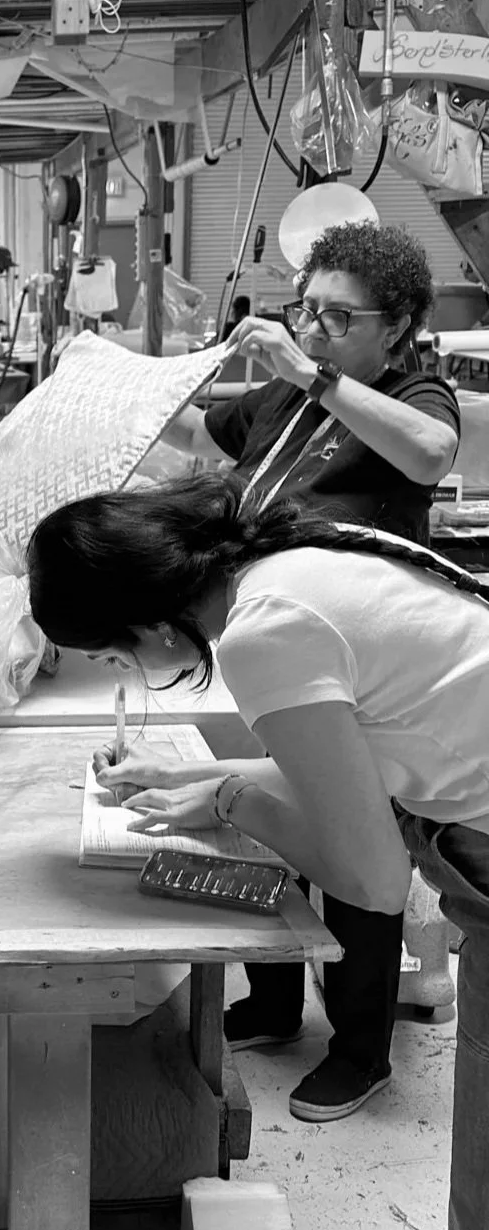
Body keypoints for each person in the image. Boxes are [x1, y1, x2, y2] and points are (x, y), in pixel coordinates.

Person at [27, 471, 489, 1230]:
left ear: (149, 626)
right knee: (480, 1229)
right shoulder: (301, 566)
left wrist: (235, 798)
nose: (128, 671)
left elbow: (367, 876)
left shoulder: (264, 633)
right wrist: (219, 779)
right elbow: (378, 742)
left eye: (114, 655)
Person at [155, 223, 459, 1122]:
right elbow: (194, 430)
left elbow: (431, 454)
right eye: (305, 310)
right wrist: (128, 387)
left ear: (395, 325)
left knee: (357, 851)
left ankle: (360, 1050)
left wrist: (310, 372)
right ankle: (276, 1002)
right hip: (271, 635)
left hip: (360, 663)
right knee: (271, 829)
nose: (314, 329)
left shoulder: (409, 393)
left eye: (337, 316)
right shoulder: (280, 400)